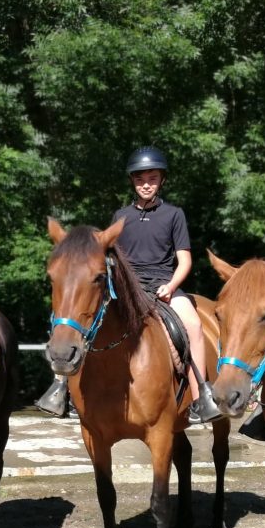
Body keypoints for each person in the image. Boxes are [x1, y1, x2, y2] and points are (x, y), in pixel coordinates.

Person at [111, 145, 221, 423]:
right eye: (139, 179)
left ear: (162, 181)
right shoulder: (120, 217)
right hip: (129, 290)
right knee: (87, 319)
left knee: (194, 327)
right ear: (132, 182)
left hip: (163, 286)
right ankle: (65, 389)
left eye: (152, 179)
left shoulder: (174, 215)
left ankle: (201, 398)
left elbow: (184, 261)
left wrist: (171, 286)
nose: (145, 185)